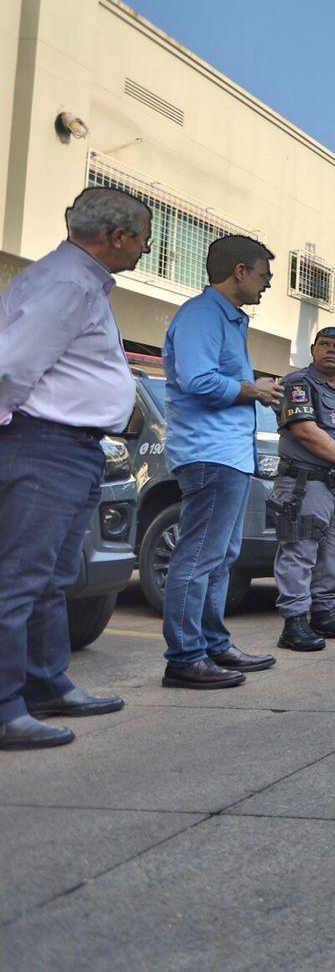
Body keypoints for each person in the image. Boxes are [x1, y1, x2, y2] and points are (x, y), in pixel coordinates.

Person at [0, 187, 144, 748]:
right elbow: (11, 367)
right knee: (19, 579)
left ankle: (46, 683)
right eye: (144, 238)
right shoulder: (66, 283)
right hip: (45, 445)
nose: (145, 249)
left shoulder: (80, 281)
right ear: (115, 237)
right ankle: (6, 707)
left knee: (51, 579)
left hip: (71, 448)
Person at [159, 234, 281, 688]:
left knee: (221, 555)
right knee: (198, 557)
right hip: (209, 455)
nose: (267, 285)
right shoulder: (201, 316)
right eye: (264, 275)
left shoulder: (229, 320)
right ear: (240, 272)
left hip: (228, 455)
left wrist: (256, 391)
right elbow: (196, 380)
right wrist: (254, 389)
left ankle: (213, 644)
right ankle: (185, 656)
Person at [271, 327, 335, 651]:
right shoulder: (298, 383)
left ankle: (324, 614)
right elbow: (304, 431)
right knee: (300, 551)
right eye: (325, 345)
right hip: (307, 482)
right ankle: (294, 622)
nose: (331, 351)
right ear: (313, 349)